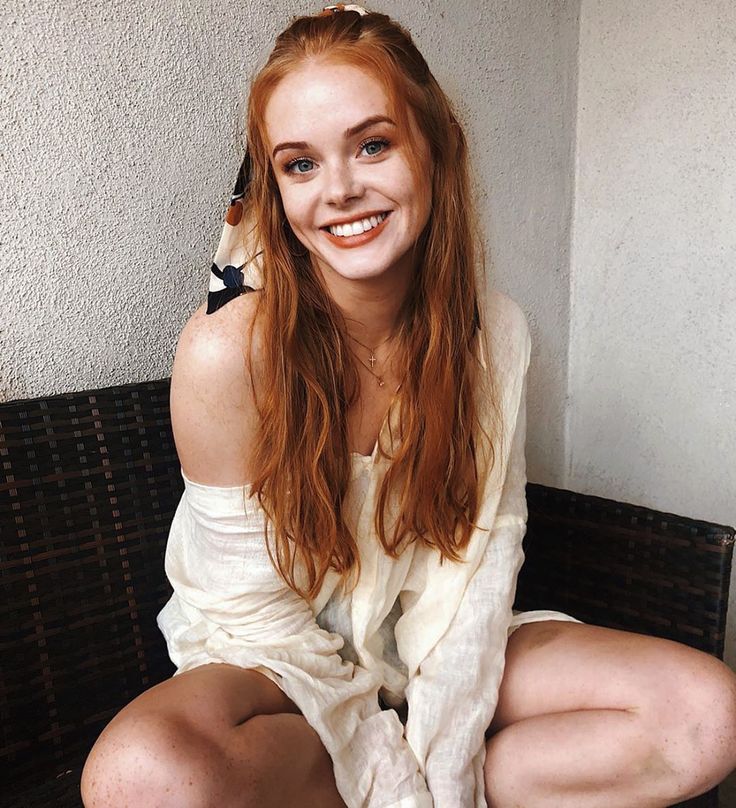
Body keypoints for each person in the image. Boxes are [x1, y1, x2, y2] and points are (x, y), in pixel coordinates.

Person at [81, 5, 736, 807]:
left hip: (428, 640)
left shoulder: (494, 332)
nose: (341, 190)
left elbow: (481, 559)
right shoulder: (229, 349)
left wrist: (448, 768)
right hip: (277, 667)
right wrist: (393, 778)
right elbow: (252, 615)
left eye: (372, 144)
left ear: (434, 144)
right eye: (299, 164)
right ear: (275, 187)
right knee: (137, 775)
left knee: (704, 716)